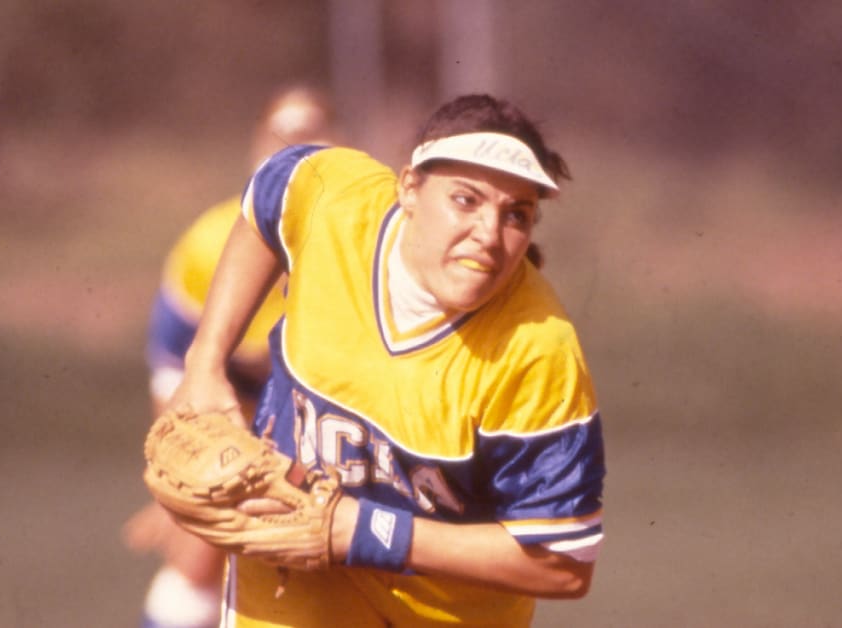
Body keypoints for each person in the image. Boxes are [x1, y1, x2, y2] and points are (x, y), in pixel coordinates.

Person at [167, 93, 605, 627]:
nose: (490, 235)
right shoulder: (335, 199)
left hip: (448, 612)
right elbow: (269, 199)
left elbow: (563, 566)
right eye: (466, 200)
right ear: (409, 188)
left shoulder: (538, 349)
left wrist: (360, 531)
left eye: (517, 213)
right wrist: (206, 359)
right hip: (294, 571)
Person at [123, 84, 339, 628]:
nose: (293, 150)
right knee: (198, 555)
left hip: (329, 417)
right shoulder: (211, 241)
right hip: (235, 406)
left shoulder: (355, 244)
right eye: (280, 136)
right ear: (255, 145)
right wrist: (180, 471)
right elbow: (174, 361)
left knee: (312, 559)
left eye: (311, 134)